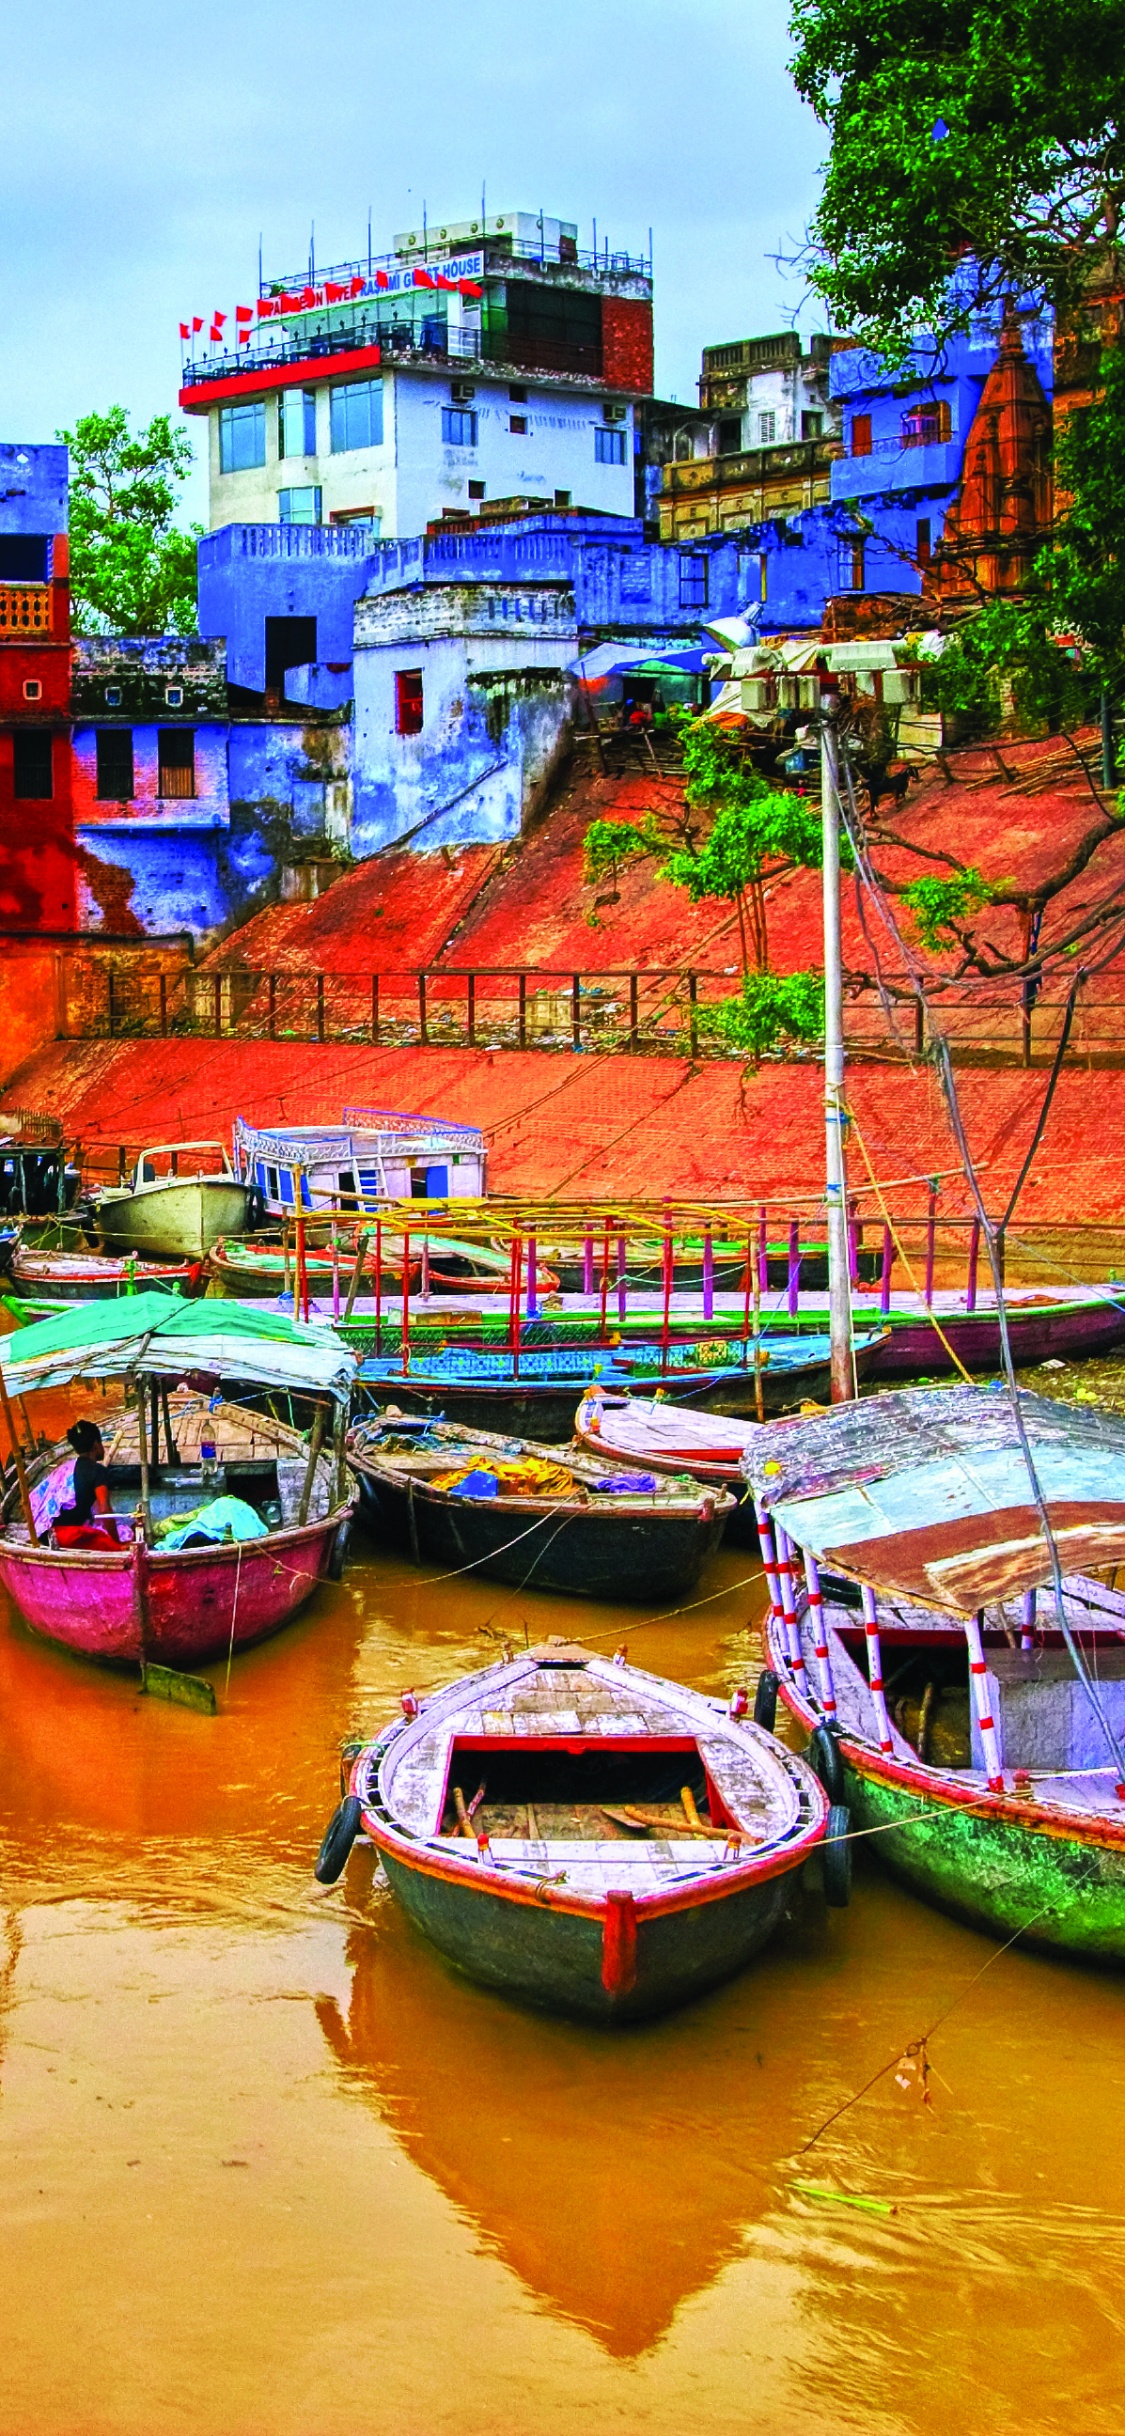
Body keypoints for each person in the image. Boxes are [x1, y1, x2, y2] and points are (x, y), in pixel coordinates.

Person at [55, 1420, 111, 1530]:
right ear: (96, 1445)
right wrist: (115, 1540)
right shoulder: (98, 1471)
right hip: (72, 1533)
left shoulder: (64, 1469)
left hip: (52, 1533)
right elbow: (104, 1511)